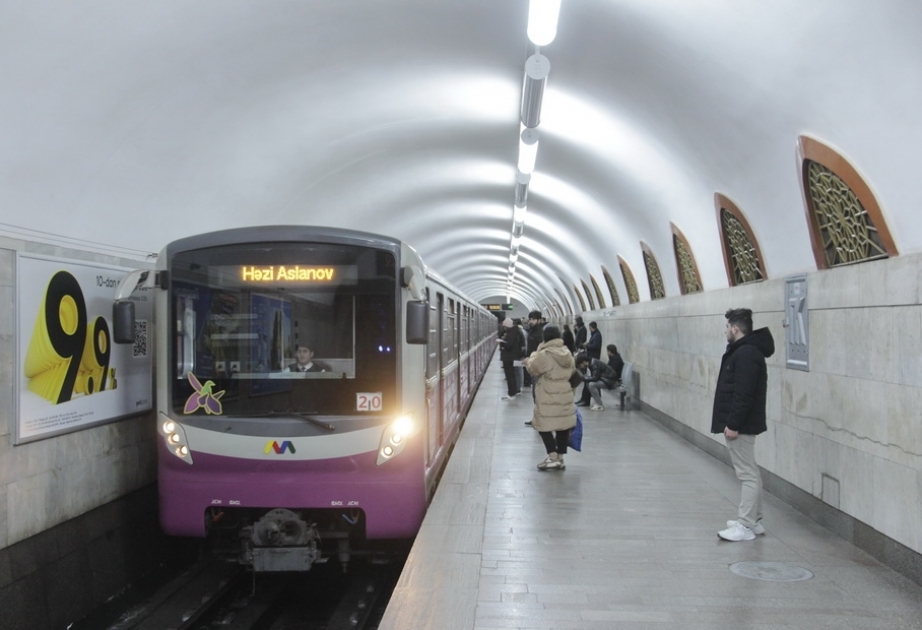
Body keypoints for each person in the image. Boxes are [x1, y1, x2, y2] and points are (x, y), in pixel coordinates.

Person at [712, 308, 775, 542]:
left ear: (735, 328)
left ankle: (746, 525)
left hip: (742, 425)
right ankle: (754, 520)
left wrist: (733, 424)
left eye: (727, 327)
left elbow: (744, 393)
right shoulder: (745, 351)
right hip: (744, 423)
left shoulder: (746, 353)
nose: (725, 331)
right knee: (751, 471)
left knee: (747, 474)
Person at [523, 324, 576, 471]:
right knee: (562, 426)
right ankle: (560, 457)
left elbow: (533, 369)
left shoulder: (545, 354)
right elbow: (572, 371)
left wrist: (533, 355)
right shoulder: (566, 352)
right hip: (565, 393)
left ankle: (552, 456)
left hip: (548, 394)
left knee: (541, 424)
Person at [497, 318, 522, 400]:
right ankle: (512, 392)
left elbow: (509, 345)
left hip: (509, 357)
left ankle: (512, 393)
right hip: (511, 357)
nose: (504, 328)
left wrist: (502, 343)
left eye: (504, 326)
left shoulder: (511, 333)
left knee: (510, 376)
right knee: (512, 375)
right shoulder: (515, 331)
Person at [523, 310, 545, 388]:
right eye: (530, 319)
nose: (531, 321)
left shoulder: (540, 333)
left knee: (537, 388)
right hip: (532, 361)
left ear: (539, 320)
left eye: (533, 319)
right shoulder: (532, 331)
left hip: (537, 363)